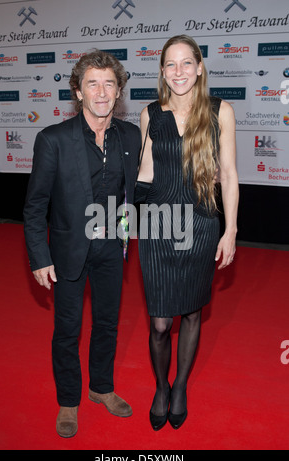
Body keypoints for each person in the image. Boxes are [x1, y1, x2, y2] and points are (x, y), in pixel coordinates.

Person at [23, 50, 141, 438]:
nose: (102, 92)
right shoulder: (53, 139)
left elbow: (136, 190)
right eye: (93, 83)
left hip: (112, 247)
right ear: (78, 92)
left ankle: (101, 388)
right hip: (68, 251)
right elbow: (35, 205)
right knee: (67, 330)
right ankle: (69, 400)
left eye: (109, 84)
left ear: (119, 91)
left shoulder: (129, 135)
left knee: (107, 324)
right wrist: (39, 256)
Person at [135, 35, 239, 431]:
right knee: (160, 323)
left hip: (200, 223)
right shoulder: (150, 114)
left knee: (192, 312)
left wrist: (230, 230)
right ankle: (160, 386)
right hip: (158, 227)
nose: (177, 72)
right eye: (169, 64)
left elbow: (228, 175)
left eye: (185, 63)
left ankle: (179, 387)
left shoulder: (220, 111)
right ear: (162, 71)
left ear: (198, 67)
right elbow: (145, 174)